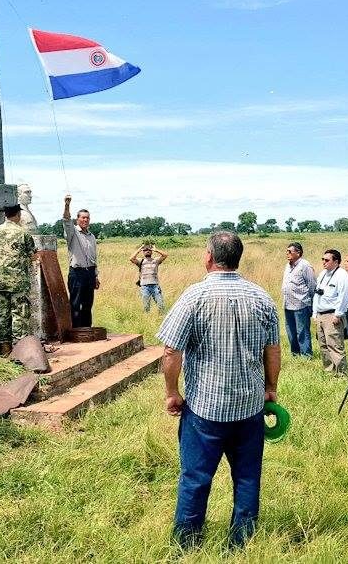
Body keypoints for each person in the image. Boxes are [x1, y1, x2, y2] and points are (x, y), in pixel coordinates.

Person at [158, 231, 281, 549]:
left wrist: (172, 393)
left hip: (204, 411)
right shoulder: (262, 298)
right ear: (237, 259)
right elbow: (273, 351)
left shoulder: (194, 297)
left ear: (209, 257)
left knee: (195, 480)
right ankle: (241, 544)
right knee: (247, 479)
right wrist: (270, 389)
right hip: (249, 409)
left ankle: (186, 546)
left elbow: (171, 352)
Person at [0, 204, 36, 355]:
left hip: (1, 281)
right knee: (20, 316)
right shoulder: (23, 233)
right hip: (18, 282)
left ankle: (4, 350)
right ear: (18, 215)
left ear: (5, 215)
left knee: (3, 315)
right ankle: (19, 353)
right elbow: (33, 256)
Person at [62, 195, 98, 327]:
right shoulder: (73, 233)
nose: (86, 220)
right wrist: (67, 205)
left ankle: (87, 331)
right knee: (76, 304)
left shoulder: (91, 236)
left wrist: (95, 276)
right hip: (77, 273)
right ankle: (76, 332)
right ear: (77, 219)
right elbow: (66, 220)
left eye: (87, 218)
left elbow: (95, 258)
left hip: (90, 273)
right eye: (83, 217)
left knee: (88, 304)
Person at [313, 249, 348, 375]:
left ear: (336, 262)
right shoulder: (323, 274)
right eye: (322, 259)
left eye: (327, 260)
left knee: (335, 345)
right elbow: (317, 294)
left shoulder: (341, 275)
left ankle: (341, 373)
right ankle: (329, 370)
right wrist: (314, 313)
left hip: (332, 314)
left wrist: (338, 314)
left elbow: (343, 296)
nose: (324, 262)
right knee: (323, 345)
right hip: (320, 314)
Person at [282, 242, 316, 358]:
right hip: (288, 304)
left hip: (301, 304)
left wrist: (310, 303)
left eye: (290, 252)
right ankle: (295, 354)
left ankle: (306, 355)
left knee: (302, 331)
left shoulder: (305, 266)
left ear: (298, 253)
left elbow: (312, 285)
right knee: (291, 331)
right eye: (287, 251)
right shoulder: (288, 266)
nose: (287, 254)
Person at [130, 244, 168, 312]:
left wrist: (156, 250)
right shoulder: (141, 261)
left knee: (161, 305)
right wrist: (139, 249)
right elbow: (131, 258)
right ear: (143, 252)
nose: (147, 251)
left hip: (155, 286)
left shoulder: (156, 260)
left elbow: (165, 255)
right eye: (145, 250)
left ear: (151, 251)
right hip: (144, 286)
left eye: (149, 250)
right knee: (146, 306)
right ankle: (147, 319)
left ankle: (161, 318)